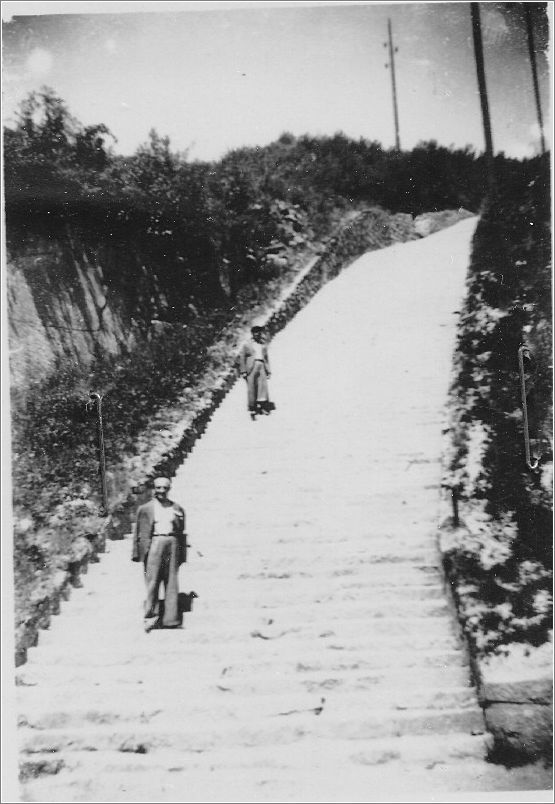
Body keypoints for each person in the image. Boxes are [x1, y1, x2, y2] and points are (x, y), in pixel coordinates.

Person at [132, 476, 187, 632]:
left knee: (171, 582)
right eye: (158, 488)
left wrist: (182, 554)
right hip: (154, 543)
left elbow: (182, 532)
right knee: (152, 582)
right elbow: (139, 533)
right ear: (153, 489)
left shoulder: (177, 508)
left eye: (165, 488)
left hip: (172, 543)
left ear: (169, 489)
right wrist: (138, 553)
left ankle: (171, 619)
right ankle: (151, 618)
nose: (161, 491)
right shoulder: (145, 508)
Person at [239, 325, 272, 420]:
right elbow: (242, 358)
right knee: (251, 387)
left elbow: (266, 358)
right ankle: (252, 408)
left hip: (261, 365)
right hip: (251, 367)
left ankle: (262, 407)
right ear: (252, 334)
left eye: (259, 332)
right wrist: (243, 371)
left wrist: (268, 370)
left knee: (262, 387)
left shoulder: (263, 344)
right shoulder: (247, 344)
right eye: (255, 332)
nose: (257, 334)